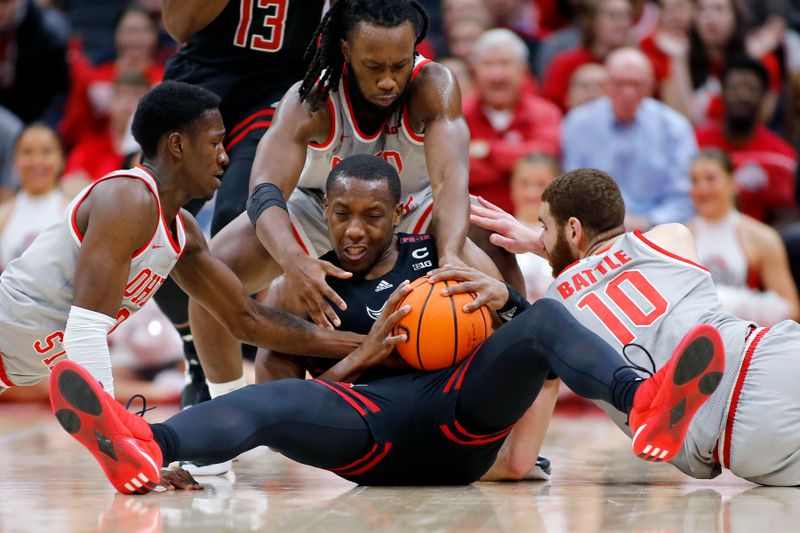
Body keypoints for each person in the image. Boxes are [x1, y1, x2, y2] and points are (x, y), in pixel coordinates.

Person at [49, 157, 725, 494]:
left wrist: (506, 302)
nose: (353, 229)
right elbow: (284, 405)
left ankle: (646, 404)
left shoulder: (446, 255)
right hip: (368, 431)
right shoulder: (304, 282)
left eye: (372, 216)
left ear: (399, 214)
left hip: (463, 417)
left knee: (545, 314)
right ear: (327, 209)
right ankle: (146, 444)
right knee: (274, 398)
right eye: (341, 213)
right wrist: (364, 354)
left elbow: (531, 357)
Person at [187, 0, 524, 404]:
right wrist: (294, 261)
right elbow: (263, 190)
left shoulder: (435, 85)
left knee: (493, 251)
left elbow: (451, 180)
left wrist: (450, 254)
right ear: (346, 52)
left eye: (399, 66)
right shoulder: (310, 98)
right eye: (374, 67)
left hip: (410, 207)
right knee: (213, 276)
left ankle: (508, 424)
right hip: (321, 209)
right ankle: (220, 408)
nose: (388, 81)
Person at [0, 81, 362, 402]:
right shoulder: (127, 198)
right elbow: (85, 332)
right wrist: (122, 445)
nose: (225, 156)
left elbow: (247, 320)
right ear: (177, 145)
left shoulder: (181, 231)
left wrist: (364, 344)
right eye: (215, 142)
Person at [467, 167, 800, 486]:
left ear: (572, 229)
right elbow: (602, 256)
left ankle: (654, 402)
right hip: (767, 356)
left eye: (544, 227)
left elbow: (517, 463)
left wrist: (469, 469)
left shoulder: (551, 322)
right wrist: (541, 242)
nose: (540, 236)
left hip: (731, 435)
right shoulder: (671, 237)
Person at [562, 47, 696, 230]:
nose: (628, 93)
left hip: (657, 233)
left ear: (650, 86)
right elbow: (571, 190)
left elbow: (684, 196)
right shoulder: (578, 124)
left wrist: (648, 222)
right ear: (606, 85)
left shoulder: (675, 127)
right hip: (594, 232)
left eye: (637, 85)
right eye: (620, 84)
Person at [687, 148, 799, 324]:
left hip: (745, 339)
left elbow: (792, 310)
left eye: (710, 178)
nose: (702, 189)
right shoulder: (682, 235)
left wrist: (738, 305)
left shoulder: (762, 238)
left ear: (732, 184)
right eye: (695, 181)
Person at [465, 29, 562, 213]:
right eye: (488, 64)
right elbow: (453, 169)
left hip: (533, 225)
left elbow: (545, 158)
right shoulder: (457, 113)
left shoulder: (545, 113)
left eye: (505, 64)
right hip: (471, 223)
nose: (497, 76)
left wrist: (487, 150)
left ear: (523, 70)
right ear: (475, 70)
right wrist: (516, 164)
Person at [695, 56, 797, 224]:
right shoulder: (694, 143)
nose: (743, 95)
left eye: (751, 89)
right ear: (721, 92)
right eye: (735, 88)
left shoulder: (781, 157)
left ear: (764, 96)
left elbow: (788, 216)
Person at [0, 123, 67, 269]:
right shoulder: (2, 216)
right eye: (27, 152)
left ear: (62, 159)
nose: (37, 161)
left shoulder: (74, 213)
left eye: (47, 151)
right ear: (14, 160)